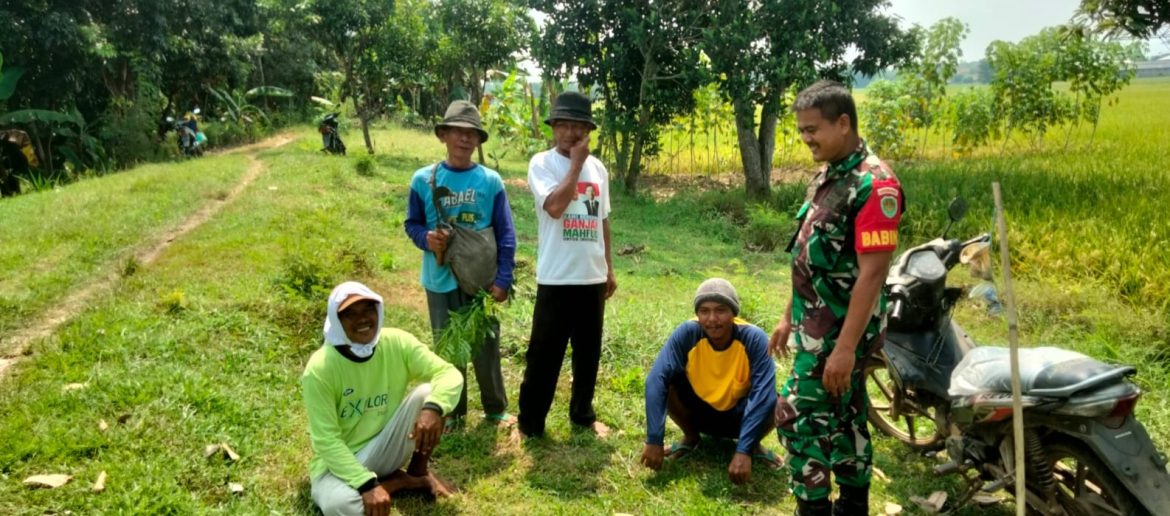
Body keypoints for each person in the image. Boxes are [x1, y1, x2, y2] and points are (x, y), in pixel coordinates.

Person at [770, 80, 905, 516]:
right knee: (845, 418)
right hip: (814, 327)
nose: (806, 139)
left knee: (795, 416)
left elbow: (872, 274)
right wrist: (788, 316)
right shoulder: (831, 174)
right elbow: (807, 254)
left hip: (839, 335)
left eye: (813, 130)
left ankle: (813, 509)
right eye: (802, 131)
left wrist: (845, 350)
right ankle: (852, 506)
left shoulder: (874, 185)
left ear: (843, 123)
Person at [302, 281, 464, 516]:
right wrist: (366, 485)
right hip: (337, 466)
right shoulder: (321, 369)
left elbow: (449, 374)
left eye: (368, 309)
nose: (362, 319)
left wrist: (433, 408)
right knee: (341, 506)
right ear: (336, 321)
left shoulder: (396, 342)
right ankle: (400, 482)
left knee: (430, 394)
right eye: (350, 313)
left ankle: (418, 471)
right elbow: (326, 440)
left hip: (384, 445)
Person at [404, 100, 517, 431]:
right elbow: (411, 223)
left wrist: (503, 278)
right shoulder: (423, 179)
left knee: (486, 344)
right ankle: (453, 411)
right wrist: (426, 239)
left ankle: (495, 408)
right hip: (440, 279)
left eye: (472, 134)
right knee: (448, 347)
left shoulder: (490, 181)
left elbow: (505, 233)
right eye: (457, 131)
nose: (464, 139)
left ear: (479, 140)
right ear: (443, 135)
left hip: (481, 280)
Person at [515, 91, 616, 440]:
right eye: (564, 125)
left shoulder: (599, 168)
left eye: (579, 126)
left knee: (588, 353)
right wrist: (575, 164)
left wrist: (609, 268)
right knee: (544, 354)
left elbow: (602, 220)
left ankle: (583, 414)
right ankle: (529, 424)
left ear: (588, 130)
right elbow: (556, 207)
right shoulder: (542, 164)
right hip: (556, 277)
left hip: (591, 276)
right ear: (554, 127)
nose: (571, 133)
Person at [640, 278, 783, 484]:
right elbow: (656, 379)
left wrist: (743, 450)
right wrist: (654, 439)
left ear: (734, 313)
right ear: (697, 314)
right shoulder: (687, 333)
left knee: (776, 401)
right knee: (668, 383)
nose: (712, 319)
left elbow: (763, 393)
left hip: (740, 416)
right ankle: (691, 438)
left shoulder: (754, 338)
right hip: (699, 414)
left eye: (721, 310)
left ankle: (752, 445)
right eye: (704, 311)